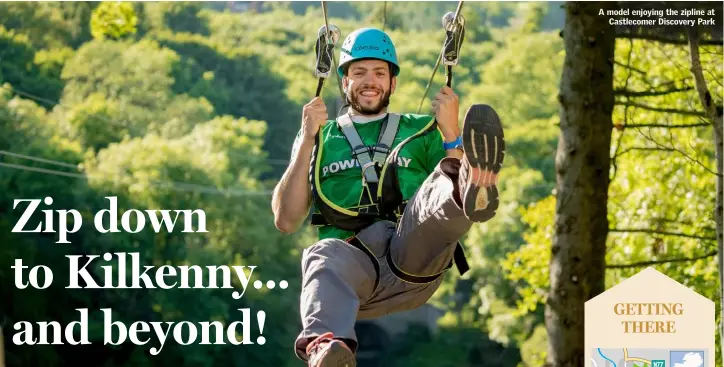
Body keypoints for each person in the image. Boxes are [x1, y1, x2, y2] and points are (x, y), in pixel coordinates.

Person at [271, 27, 504, 367]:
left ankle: (470, 185)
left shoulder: (421, 128)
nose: (370, 81)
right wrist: (306, 140)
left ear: (393, 83)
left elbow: (432, 192)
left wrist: (451, 132)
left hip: (414, 256)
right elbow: (286, 220)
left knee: (432, 195)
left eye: (380, 73)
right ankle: (328, 348)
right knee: (322, 254)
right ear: (344, 82)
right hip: (355, 273)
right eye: (359, 72)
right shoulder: (321, 136)